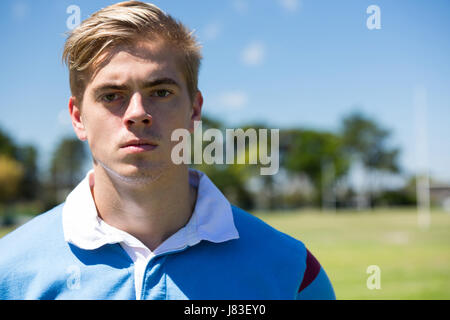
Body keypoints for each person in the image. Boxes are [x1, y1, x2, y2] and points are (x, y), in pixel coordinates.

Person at [0, 1, 335, 300]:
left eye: (160, 92)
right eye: (111, 95)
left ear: (194, 110)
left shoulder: (291, 272)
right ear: (78, 117)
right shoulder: (9, 270)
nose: (137, 113)